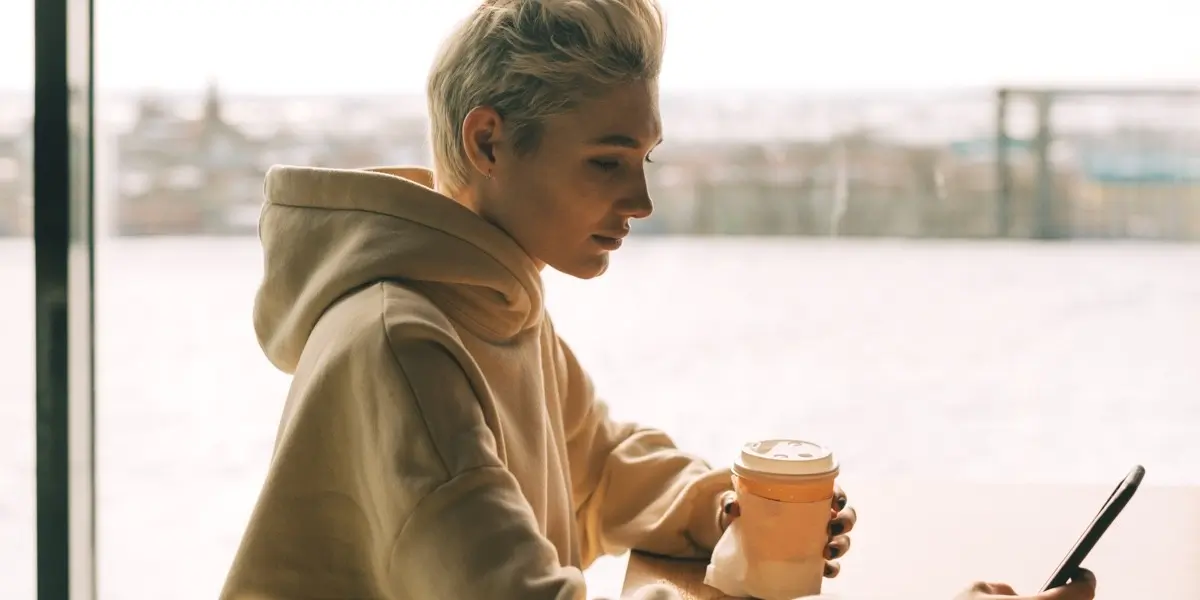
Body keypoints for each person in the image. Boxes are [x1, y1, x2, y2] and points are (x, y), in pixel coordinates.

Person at [219, 2, 1095, 600]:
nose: (640, 200)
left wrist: (728, 511)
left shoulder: (488, 297)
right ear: (487, 140)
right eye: (606, 160)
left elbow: (597, 465)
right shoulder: (402, 343)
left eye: (646, 159)